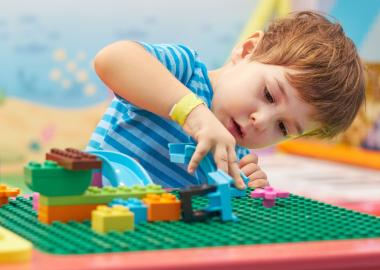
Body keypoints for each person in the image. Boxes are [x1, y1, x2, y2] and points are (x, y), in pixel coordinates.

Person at [87, 11, 365, 190]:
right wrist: (193, 112)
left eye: (283, 127)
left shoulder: (236, 157)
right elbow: (113, 59)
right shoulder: (185, 72)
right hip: (83, 211)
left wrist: (244, 190)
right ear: (247, 50)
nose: (262, 121)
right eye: (268, 94)